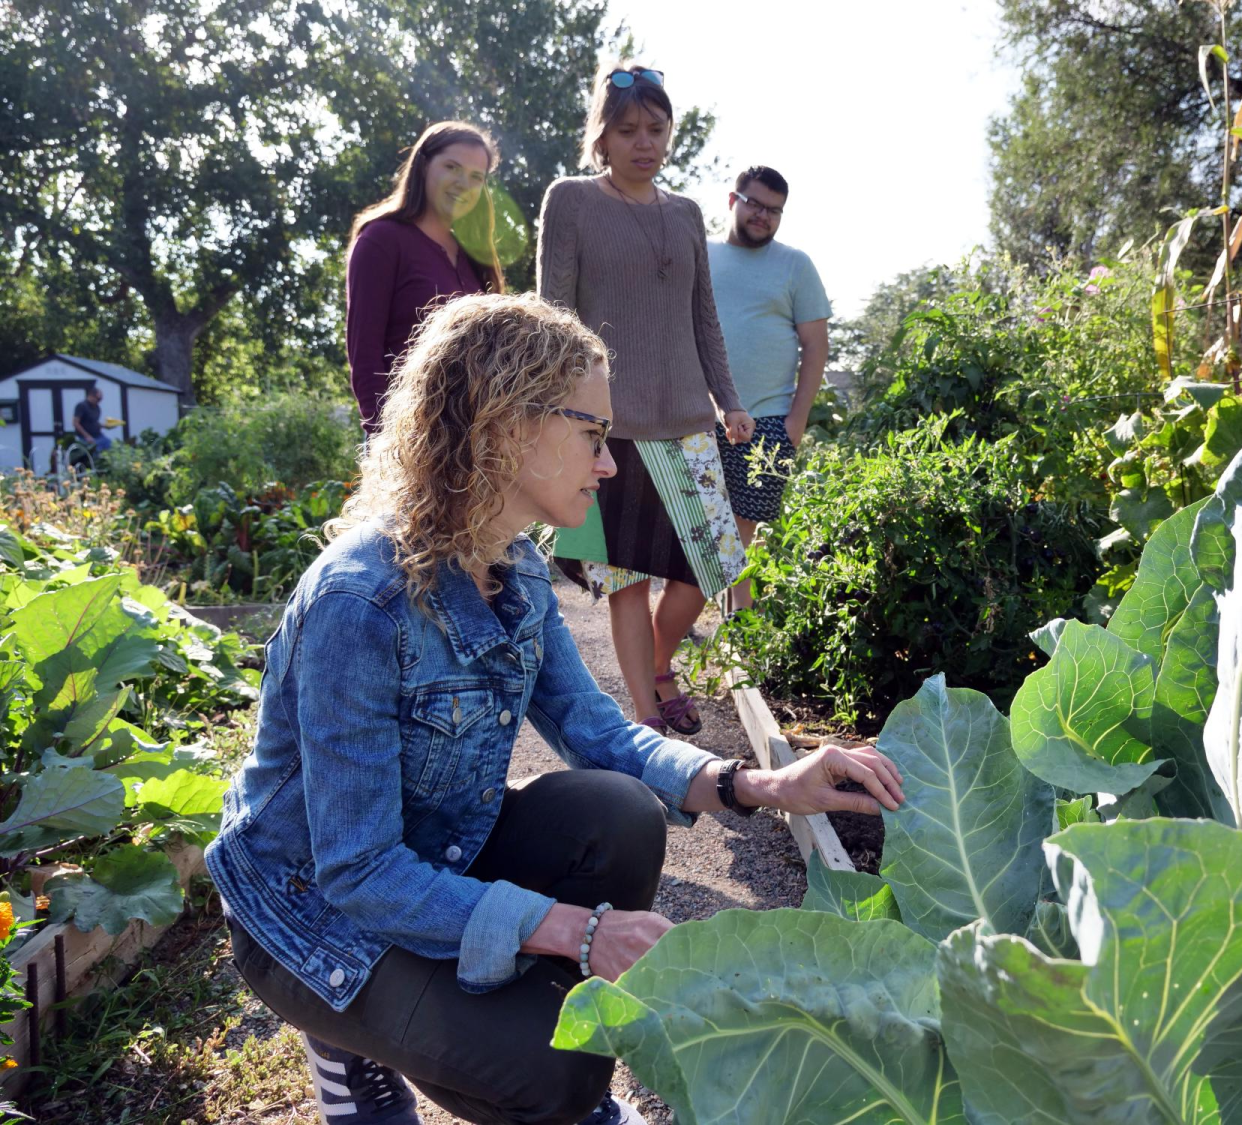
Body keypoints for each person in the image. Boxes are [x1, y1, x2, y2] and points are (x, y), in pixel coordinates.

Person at [203, 292, 904, 1125]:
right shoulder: (362, 604)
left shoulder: (517, 569)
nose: (608, 464)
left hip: (432, 860)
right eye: (593, 435)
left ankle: (464, 1027)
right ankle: (353, 1036)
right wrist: (576, 931)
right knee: (555, 1076)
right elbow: (355, 870)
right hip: (310, 915)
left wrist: (761, 783)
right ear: (506, 426)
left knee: (617, 812)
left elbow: (597, 732)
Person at [537, 62, 752, 738]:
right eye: (627, 129)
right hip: (609, 426)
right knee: (626, 578)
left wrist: (730, 400)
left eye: (656, 129)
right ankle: (647, 714)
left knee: (712, 563)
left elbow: (704, 317)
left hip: (688, 421)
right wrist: (558, 410)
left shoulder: (686, 214)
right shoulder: (571, 200)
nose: (644, 142)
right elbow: (554, 313)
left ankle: (662, 663)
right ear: (600, 137)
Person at [706, 166, 831, 612]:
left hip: (769, 418)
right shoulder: (700, 255)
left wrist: (796, 422)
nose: (763, 215)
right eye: (755, 204)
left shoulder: (795, 265)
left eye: (774, 210)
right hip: (698, 416)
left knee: (748, 529)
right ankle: (696, 621)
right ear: (732, 199)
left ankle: (741, 627)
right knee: (701, 527)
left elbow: (816, 347)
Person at [345, 120, 506, 434]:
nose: (464, 183)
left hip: (471, 441)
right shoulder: (381, 239)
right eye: (452, 167)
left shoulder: (475, 255)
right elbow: (365, 356)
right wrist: (387, 442)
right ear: (422, 166)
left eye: (477, 177)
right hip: (407, 438)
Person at [72, 386, 112, 454]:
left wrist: (105, 426)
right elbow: (75, 423)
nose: (99, 401)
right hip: (85, 437)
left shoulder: (97, 408)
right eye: (98, 399)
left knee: (110, 445)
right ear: (91, 396)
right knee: (95, 451)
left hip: (98, 435)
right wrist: (87, 436)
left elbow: (93, 422)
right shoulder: (82, 406)